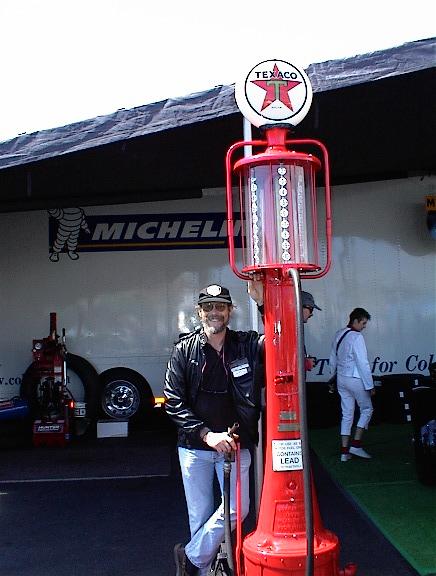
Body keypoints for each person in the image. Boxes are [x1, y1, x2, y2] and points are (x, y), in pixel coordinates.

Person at [164, 283, 264, 576]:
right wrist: (206, 435)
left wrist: (261, 303)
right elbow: (172, 401)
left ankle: (190, 558)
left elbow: (279, 340)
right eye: (208, 307)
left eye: (220, 306)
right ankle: (203, 571)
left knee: (238, 509)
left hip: (235, 444)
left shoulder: (246, 344)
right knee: (200, 517)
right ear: (199, 312)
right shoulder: (184, 350)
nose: (214, 312)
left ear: (230, 311)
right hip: (195, 447)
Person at [329, 308, 375, 462]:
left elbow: (332, 358)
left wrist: (332, 376)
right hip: (355, 379)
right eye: (363, 323)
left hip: (341, 378)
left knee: (347, 414)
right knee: (367, 409)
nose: (364, 326)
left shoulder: (339, 333)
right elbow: (363, 363)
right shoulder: (357, 337)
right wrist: (370, 385)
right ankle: (356, 445)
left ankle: (344, 453)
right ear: (355, 320)